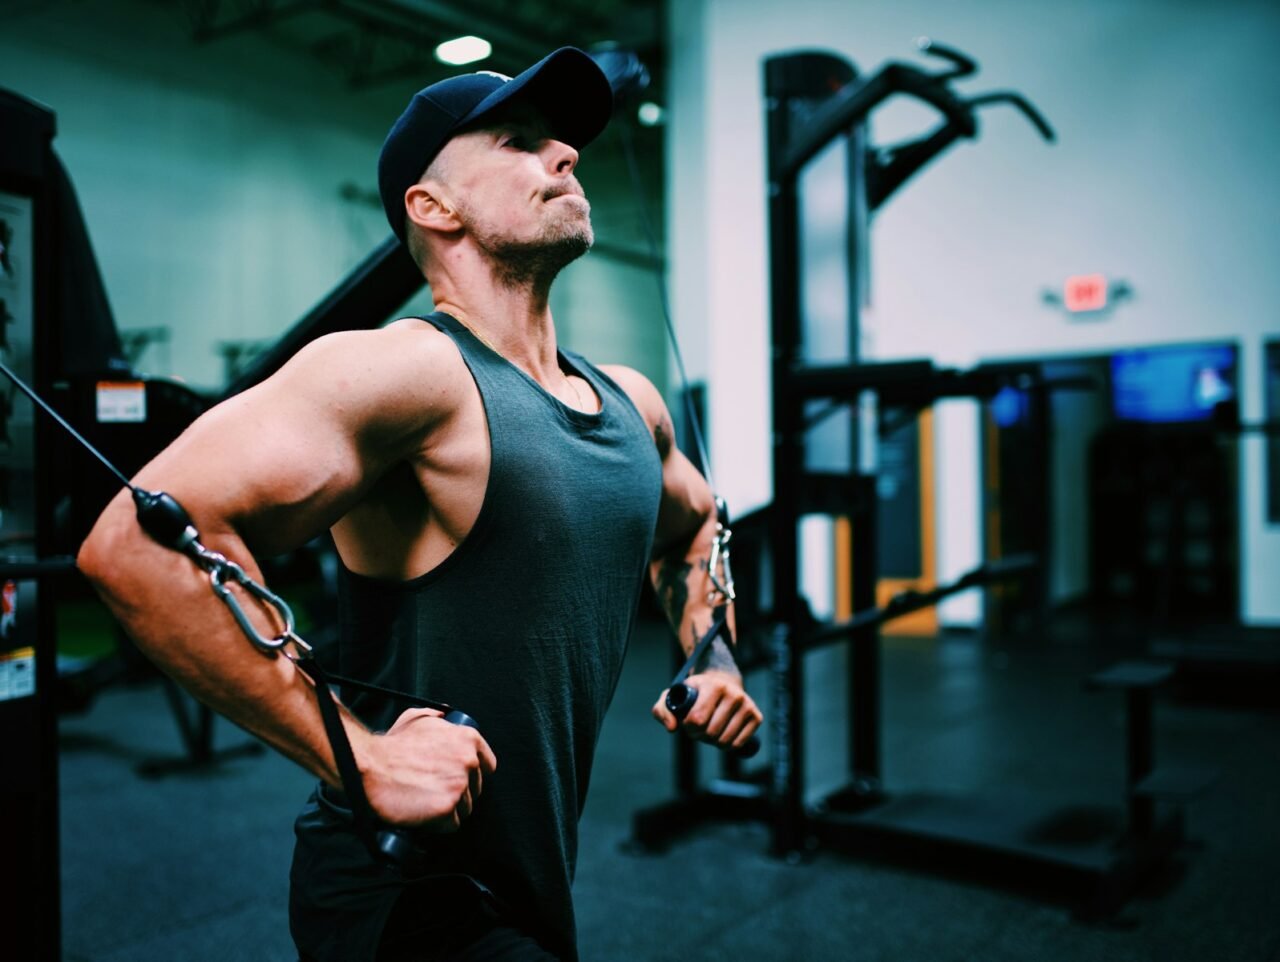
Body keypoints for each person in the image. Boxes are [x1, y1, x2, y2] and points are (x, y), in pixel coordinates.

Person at [78, 47, 762, 962]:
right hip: (400, 893)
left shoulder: (632, 401)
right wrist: (364, 760)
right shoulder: (406, 371)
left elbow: (698, 529)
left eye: (562, 143)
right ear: (433, 208)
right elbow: (137, 541)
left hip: (533, 876)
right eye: (519, 142)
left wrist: (712, 656)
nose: (563, 156)